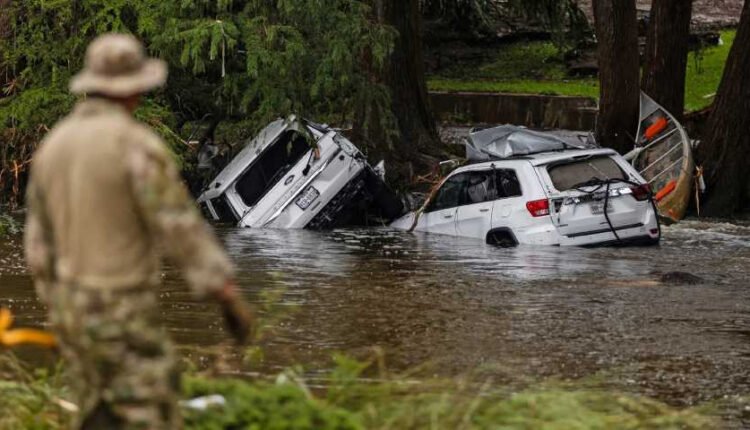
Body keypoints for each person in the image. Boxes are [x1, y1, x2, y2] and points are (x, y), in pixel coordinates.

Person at [24, 33, 254, 429]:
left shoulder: (53, 147)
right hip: (121, 308)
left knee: (96, 410)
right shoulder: (134, 145)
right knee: (150, 410)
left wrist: (56, 302)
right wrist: (225, 291)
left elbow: (37, 244)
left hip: (69, 309)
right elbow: (178, 225)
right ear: (133, 90)